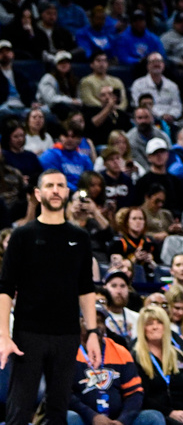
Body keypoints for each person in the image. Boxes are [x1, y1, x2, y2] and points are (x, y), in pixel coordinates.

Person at [0, 169, 103, 425]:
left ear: (67, 192)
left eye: (60, 185)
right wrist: (3, 334)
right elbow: (5, 288)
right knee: (19, 410)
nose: (55, 190)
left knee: (58, 411)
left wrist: (91, 332)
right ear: (38, 193)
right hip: (28, 334)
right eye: (49, 185)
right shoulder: (23, 235)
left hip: (67, 335)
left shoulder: (80, 237)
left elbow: (86, 288)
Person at [132, 305, 183, 425]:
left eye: (159, 322)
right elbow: (141, 396)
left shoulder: (178, 355)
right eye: (149, 323)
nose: (155, 327)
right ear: (142, 328)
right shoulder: (136, 357)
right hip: (156, 414)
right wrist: (169, 412)